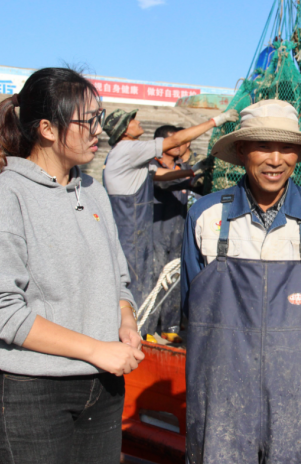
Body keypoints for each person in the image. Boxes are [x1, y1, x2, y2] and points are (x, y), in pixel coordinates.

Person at [0, 67, 146, 463]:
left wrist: (125, 321)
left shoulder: (93, 192)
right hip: (35, 394)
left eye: (100, 117)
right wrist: (97, 349)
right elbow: (1, 312)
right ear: (47, 128)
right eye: (89, 120)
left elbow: (118, 280)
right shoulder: (6, 195)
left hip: (103, 389)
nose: (99, 129)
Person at [180, 100, 301, 463]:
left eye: (286, 147)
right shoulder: (205, 215)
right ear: (241, 150)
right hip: (221, 397)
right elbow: (191, 312)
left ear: (299, 153)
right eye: (263, 146)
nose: (276, 159)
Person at [102, 108, 238, 328]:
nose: (138, 122)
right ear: (125, 130)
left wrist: (191, 172)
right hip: (130, 228)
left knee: (145, 281)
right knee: (137, 284)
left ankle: (142, 332)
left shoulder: (127, 154)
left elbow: (160, 175)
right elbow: (175, 140)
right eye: (133, 120)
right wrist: (216, 120)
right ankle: (134, 333)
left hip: (138, 228)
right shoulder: (127, 149)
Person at [146, 125, 201, 342]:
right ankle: (148, 329)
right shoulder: (150, 165)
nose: (180, 145)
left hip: (178, 231)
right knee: (155, 281)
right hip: (155, 233)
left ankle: (171, 328)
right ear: (162, 143)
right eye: (175, 141)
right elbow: (167, 181)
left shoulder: (183, 165)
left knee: (175, 281)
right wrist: (191, 173)